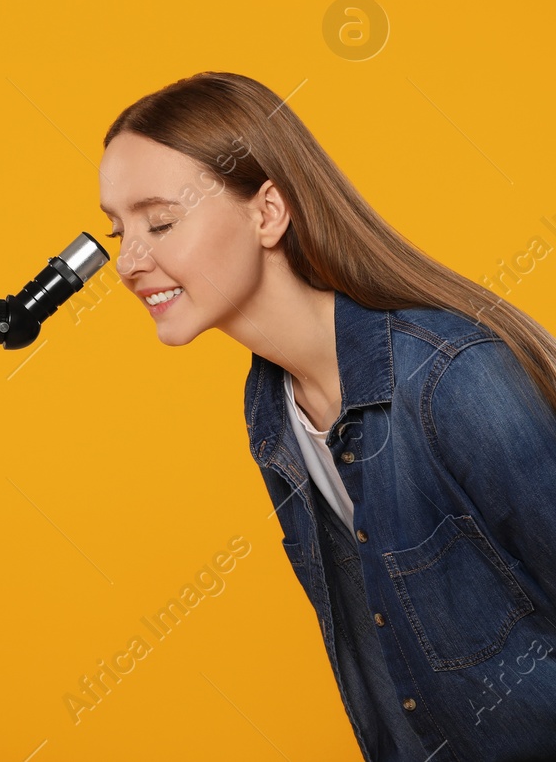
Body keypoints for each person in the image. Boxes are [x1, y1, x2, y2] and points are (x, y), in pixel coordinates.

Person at [97, 71, 556, 761]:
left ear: (268, 212)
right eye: (116, 229)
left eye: (160, 221)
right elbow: (385, 655)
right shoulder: (273, 407)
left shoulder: (453, 378)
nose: (129, 261)